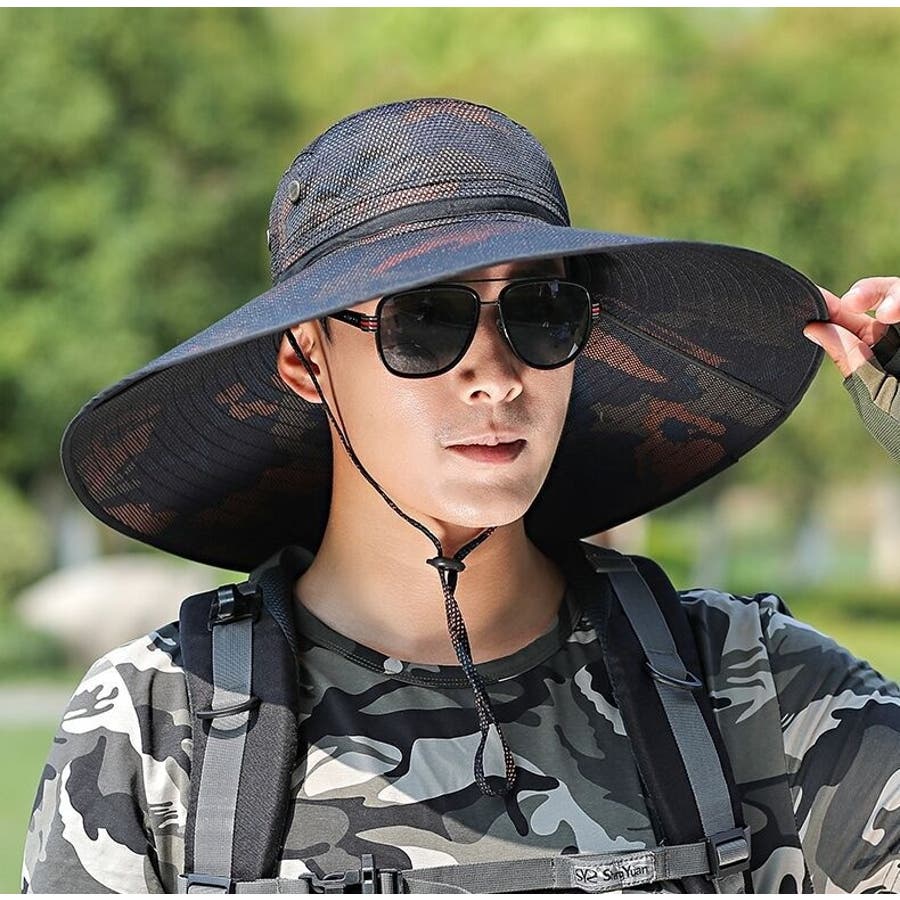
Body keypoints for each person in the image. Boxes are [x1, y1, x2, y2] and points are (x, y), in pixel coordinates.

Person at [22, 97, 900, 894]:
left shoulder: (757, 689)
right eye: (426, 319)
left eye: (541, 311)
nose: (496, 376)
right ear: (305, 359)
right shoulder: (155, 727)